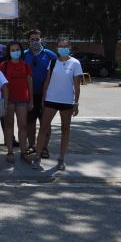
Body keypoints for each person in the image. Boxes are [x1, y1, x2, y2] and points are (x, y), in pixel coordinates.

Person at [33, 38, 82, 171]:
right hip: (51, 100)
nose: (63, 48)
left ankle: (61, 159)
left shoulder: (75, 63)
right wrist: (43, 98)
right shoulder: (53, 61)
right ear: (57, 48)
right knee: (43, 128)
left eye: (65, 46)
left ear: (69, 47)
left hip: (67, 101)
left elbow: (77, 86)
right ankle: (37, 157)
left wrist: (76, 103)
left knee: (65, 129)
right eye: (61, 46)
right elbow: (47, 81)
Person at [23, 29, 57, 157]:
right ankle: (31, 145)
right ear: (28, 41)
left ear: (41, 39)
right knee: (30, 123)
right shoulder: (24, 55)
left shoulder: (50, 55)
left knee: (45, 123)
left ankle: (44, 148)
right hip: (29, 95)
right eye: (32, 39)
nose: (35, 41)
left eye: (37, 39)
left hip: (46, 95)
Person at [0, 41, 33, 164]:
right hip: (8, 100)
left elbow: (30, 83)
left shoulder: (25, 65)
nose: (15, 52)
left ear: (21, 51)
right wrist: (2, 101)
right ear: (9, 52)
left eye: (17, 49)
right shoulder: (4, 65)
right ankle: (10, 151)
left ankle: (23, 152)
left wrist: (31, 101)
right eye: (12, 50)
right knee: (8, 126)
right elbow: (0, 84)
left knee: (23, 126)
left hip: (23, 99)